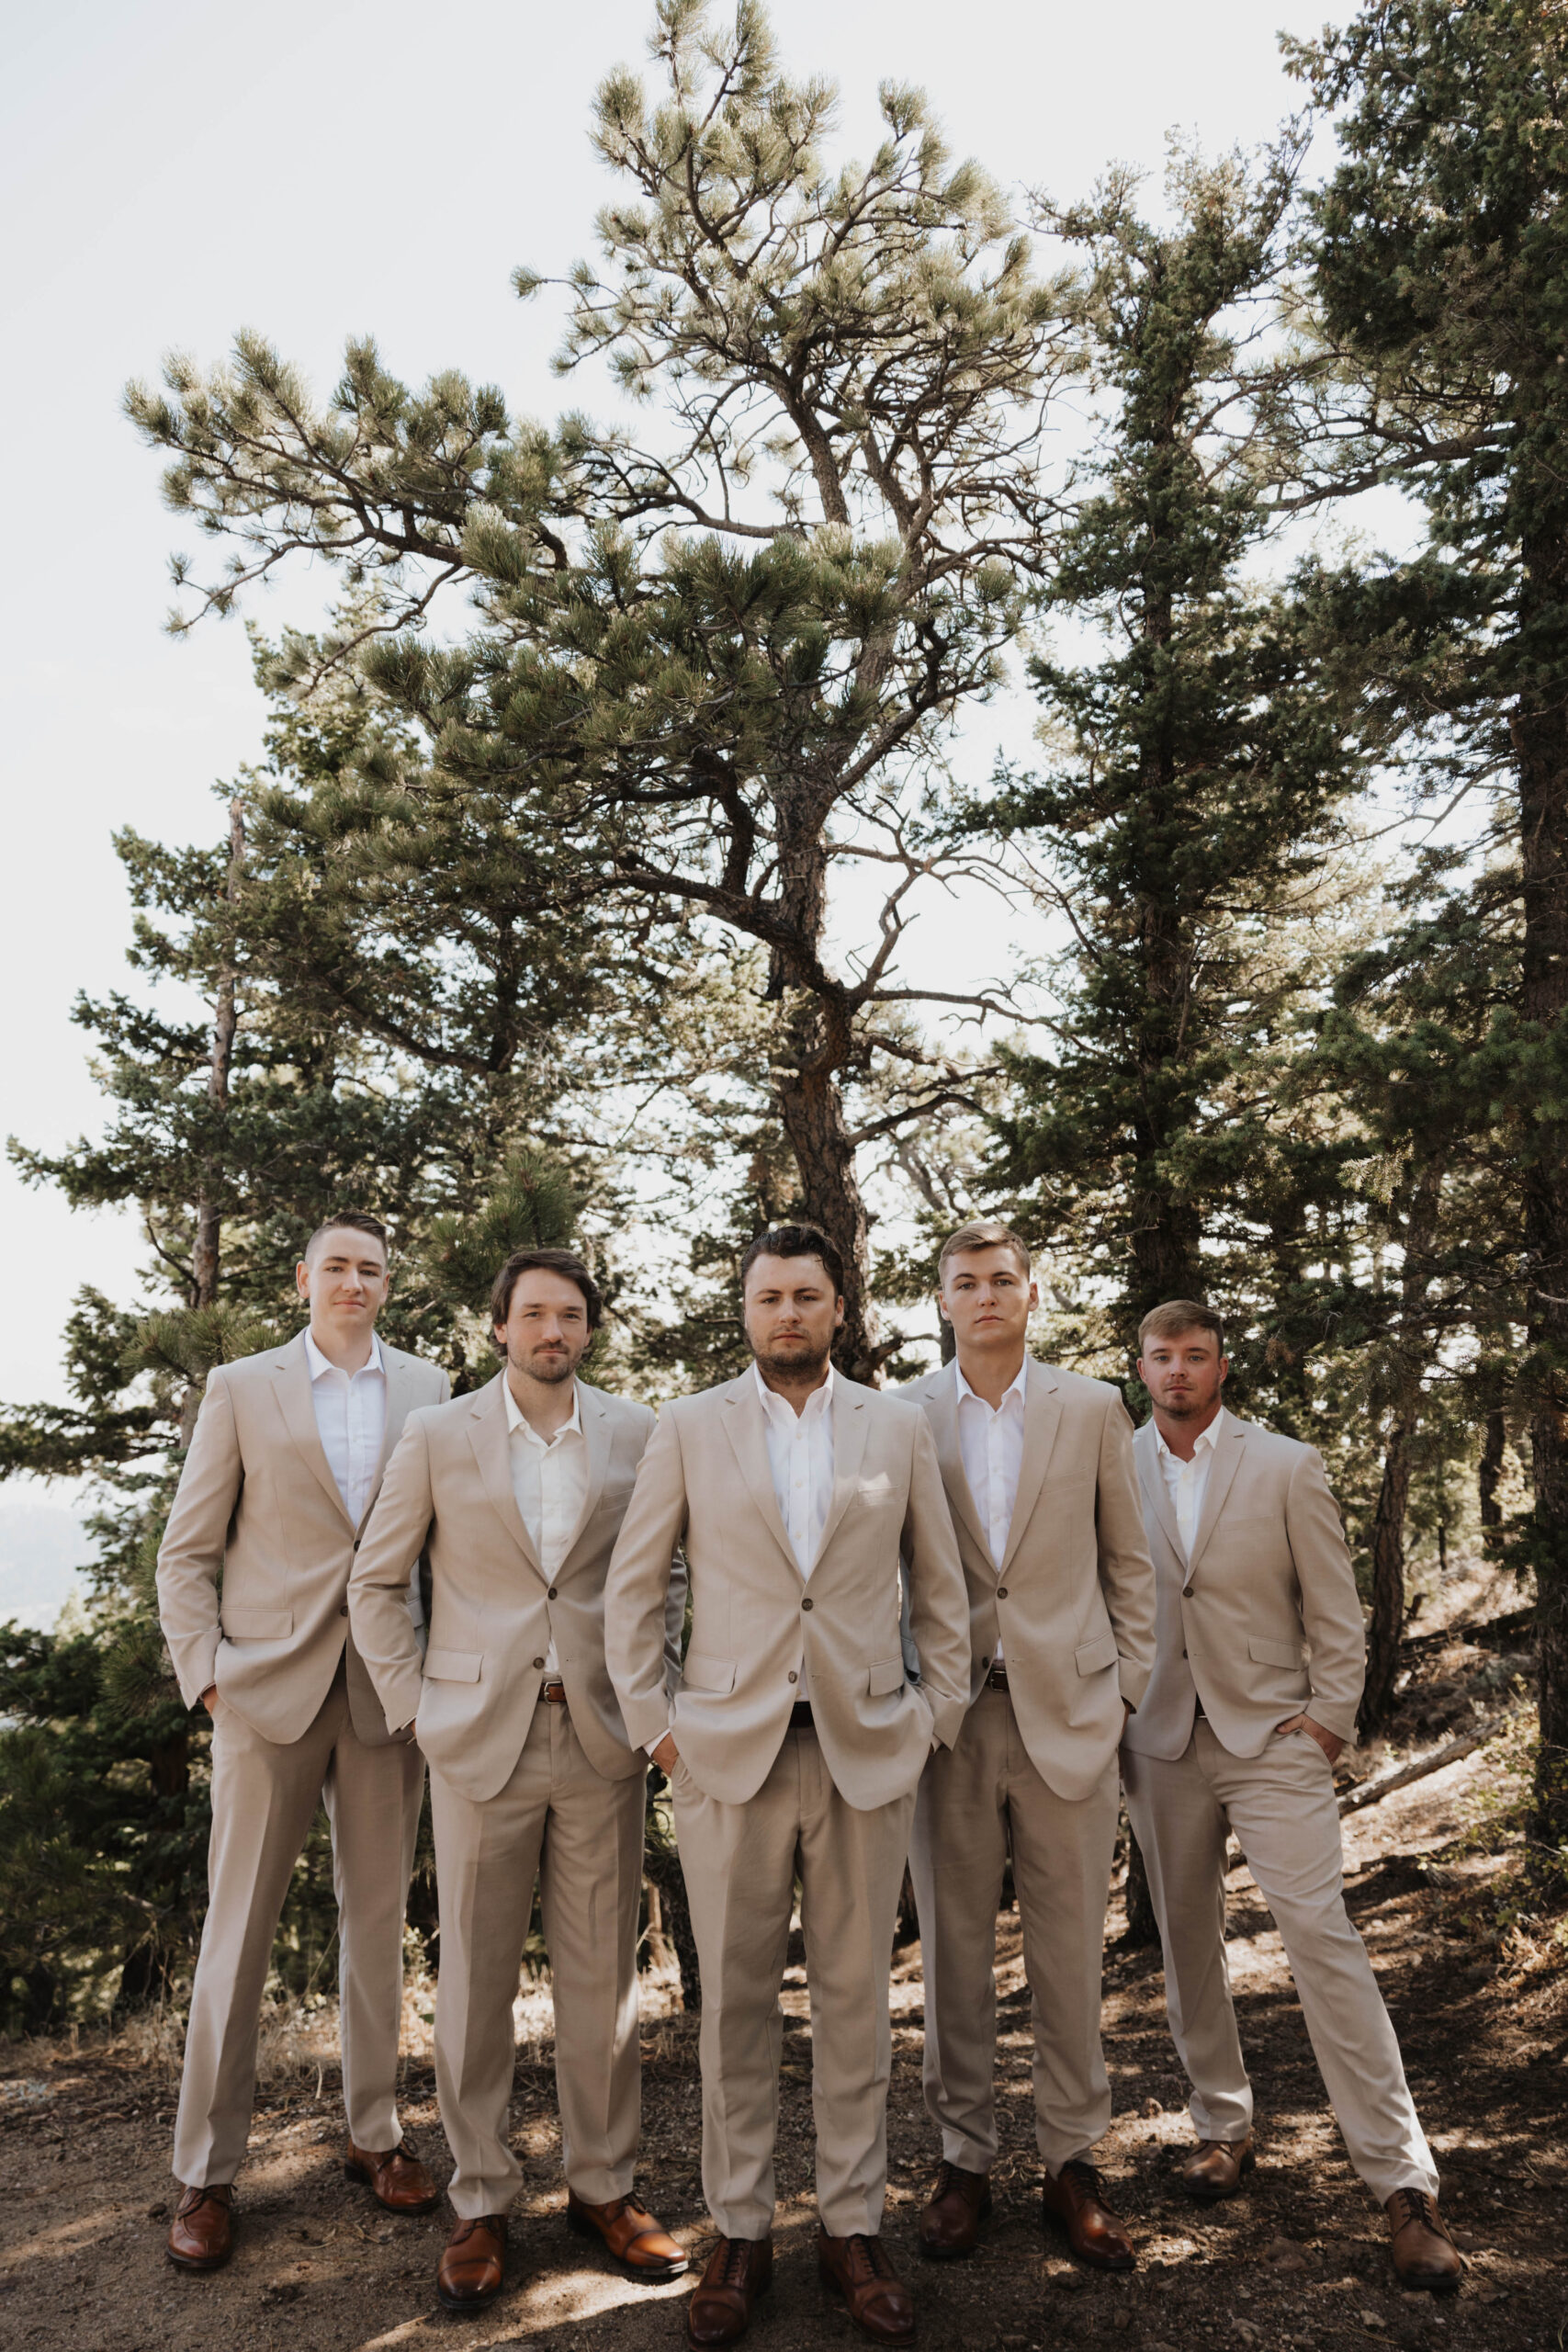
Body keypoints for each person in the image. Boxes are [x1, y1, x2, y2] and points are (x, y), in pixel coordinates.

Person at [604, 1225, 971, 2350]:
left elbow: (940, 1591)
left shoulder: (897, 1425)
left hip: (865, 1753)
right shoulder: (687, 1426)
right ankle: (742, 2228)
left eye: (807, 1297)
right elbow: (637, 1592)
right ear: (747, 1310)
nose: (788, 1315)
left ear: (839, 1308)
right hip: (729, 1756)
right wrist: (663, 1736)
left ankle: (851, 2228)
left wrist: (930, 1723)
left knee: (858, 2001)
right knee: (739, 2008)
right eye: (769, 1298)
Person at [349, 1247, 687, 2314]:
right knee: (475, 1986)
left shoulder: (640, 1431)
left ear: (589, 1329)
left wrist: (652, 1698)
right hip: (474, 1737)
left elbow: (668, 1572)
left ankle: (605, 2187)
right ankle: (483, 2195)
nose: (553, 1330)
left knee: (603, 1982)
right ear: (499, 1328)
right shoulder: (438, 1434)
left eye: (571, 1315)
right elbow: (379, 1578)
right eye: (533, 1314)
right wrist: (416, 1708)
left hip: (599, 1738)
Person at [1121, 1300, 1462, 2292]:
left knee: (1320, 1935)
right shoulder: (1115, 1467)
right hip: (1159, 1737)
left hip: (1273, 1735)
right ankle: (1223, 2126)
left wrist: (1327, 1721)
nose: (1178, 1371)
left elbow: (1335, 1606)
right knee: (1186, 1938)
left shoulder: (1285, 1463)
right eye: (1161, 1356)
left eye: (1195, 1355)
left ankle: (1403, 2182)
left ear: (1221, 1365)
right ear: (1138, 1368)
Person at [155, 1212, 448, 2271]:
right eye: (337, 1266)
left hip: (384, 1699)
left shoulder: (429, 1389)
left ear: (387, 1283)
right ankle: (206, 2169)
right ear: (303, 1278)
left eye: (372, 1268)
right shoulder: (243, 1386)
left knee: (376, 1927)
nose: (355, 1283)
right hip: (264, 1696)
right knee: (236, 1930)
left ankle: (375, 2135)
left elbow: (444, 1548)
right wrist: (210, 1678)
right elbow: (186, 1550)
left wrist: (432, 1683)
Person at [905, 1222, 1156, 2271]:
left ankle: (1073, 2159)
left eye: (1003, 1278)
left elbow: (1128, 1564)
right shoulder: (903, 1415)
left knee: (1069, 1948)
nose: (987, 1294)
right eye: (967, 1282)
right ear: (945, 1304)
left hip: (1070, 1713)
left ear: (1032, 1294)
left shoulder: (1095, 1406)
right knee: (955, 1950)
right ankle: (964, 2158)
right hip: (949, 1722)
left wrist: (1124, 1694)